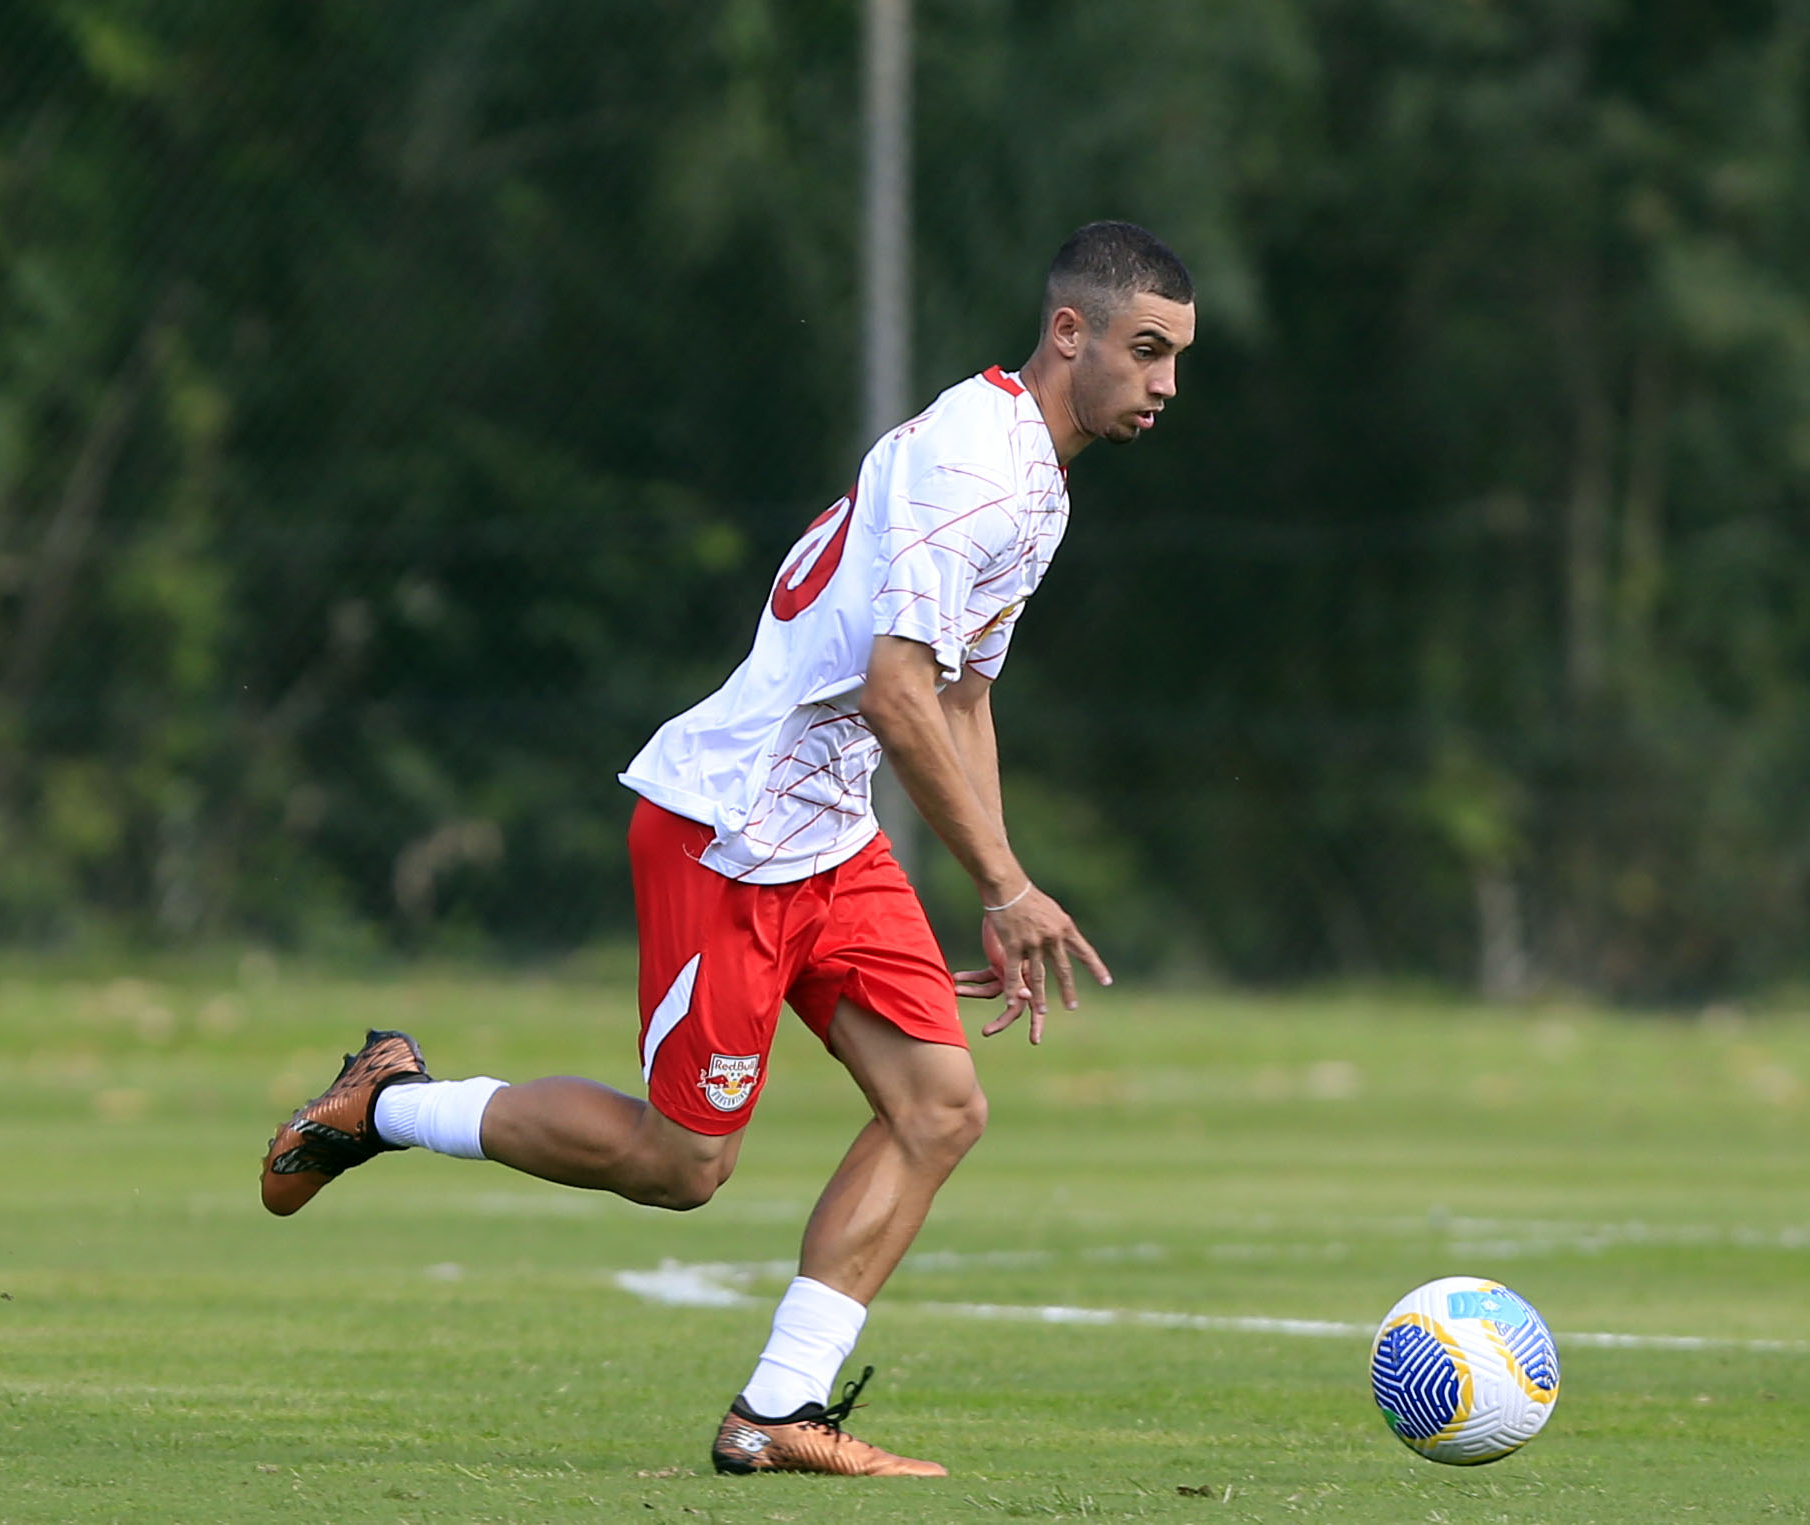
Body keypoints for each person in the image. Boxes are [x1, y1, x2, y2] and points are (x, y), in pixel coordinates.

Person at [259, 221, 1197, 1478]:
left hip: (831, 832)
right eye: (1146, 351)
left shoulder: (1037, 475)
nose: (1164, 386)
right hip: (732, 828)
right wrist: (1009, 886)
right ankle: (391, 1101)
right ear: (1068, 332)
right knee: (681, 1163)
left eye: (1178, 360)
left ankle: (777, 1411)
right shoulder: (977, 463)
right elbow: (897, 693)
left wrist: (998, 882)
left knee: (938, 1108)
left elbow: (963, 697)